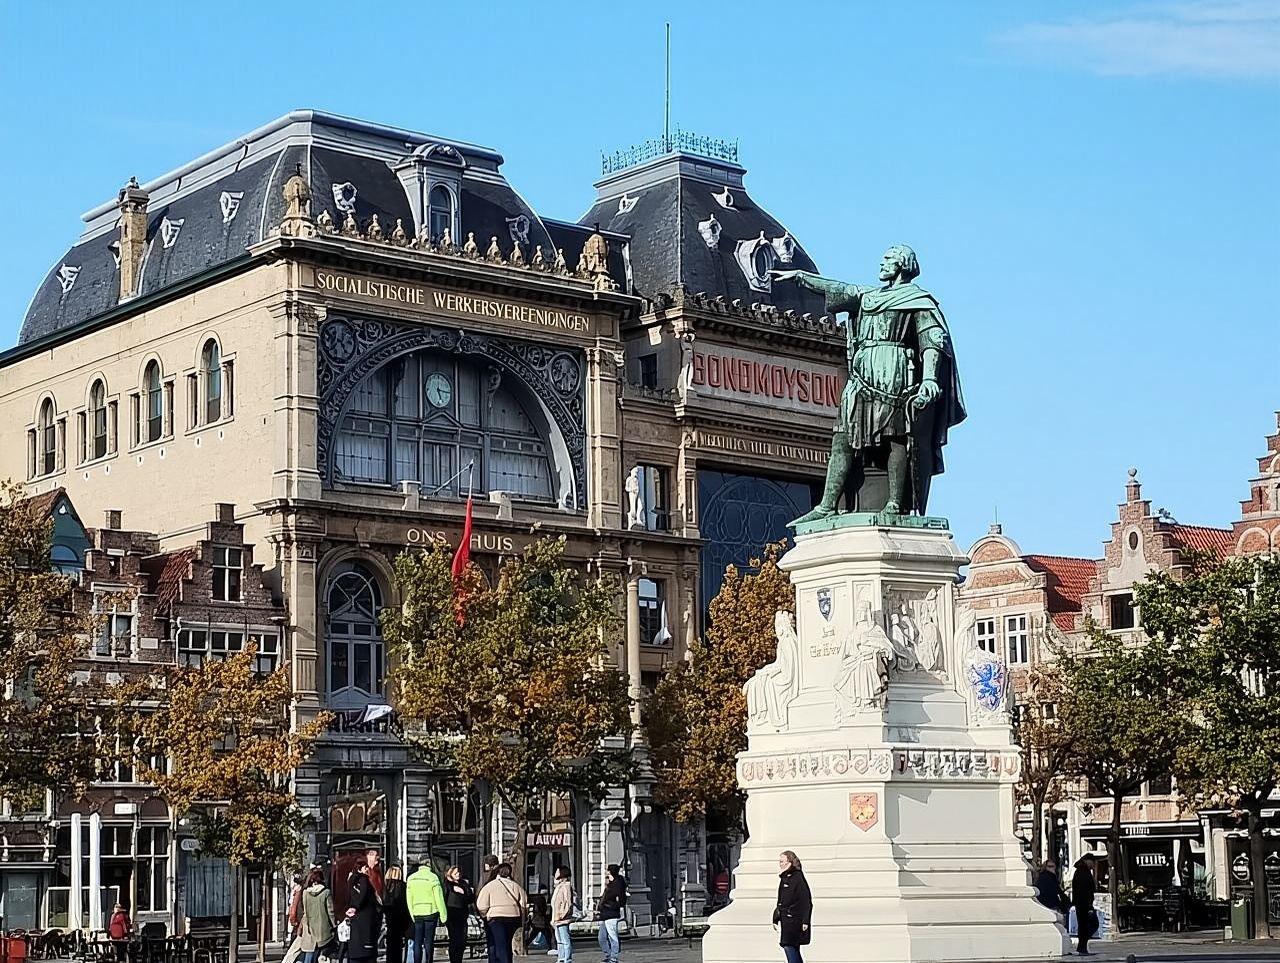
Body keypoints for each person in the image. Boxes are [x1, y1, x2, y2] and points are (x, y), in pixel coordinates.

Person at [775, 246, 965, 521]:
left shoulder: (918, 301)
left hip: (896, 373)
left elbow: (932, 340)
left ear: (902, 265)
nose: (882, 263)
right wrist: (801, 277)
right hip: (862, 378)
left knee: (896, 439)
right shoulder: (868, 296)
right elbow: (836, 287)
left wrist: (929, 379)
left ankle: (894, 504)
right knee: (842, 437)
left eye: (888, 259)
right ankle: (826, 505)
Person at [475, 862, 528, 963]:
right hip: (513, 917)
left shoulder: (489, 886)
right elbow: (524, 901)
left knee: (500, 944)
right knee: (507, 943)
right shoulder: (515, 885)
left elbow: (481, 905)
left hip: (496, 918)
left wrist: (485, 915)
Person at [773, 851, 812, 963]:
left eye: (782, 861)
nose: (780, 864)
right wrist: (776, 917)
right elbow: (781, 901)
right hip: (786, 920)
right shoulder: (784, 878)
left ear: (789, 862)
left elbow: (806, 900)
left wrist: (805, 921)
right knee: (792, 947)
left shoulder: (797, 878)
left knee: (788, 946)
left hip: (794, 920)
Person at [406, 860, 448, 963]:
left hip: (417, 912)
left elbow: (409, 899)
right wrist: (443, 916)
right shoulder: (433, 877)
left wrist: (412, 914)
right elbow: (439, 898)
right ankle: (429, 960)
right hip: (431, 912)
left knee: (417, 941)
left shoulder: (411, 878)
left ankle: (417, 961)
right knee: (429, 941)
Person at [348, 863, 384, 963]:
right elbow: (364, 895)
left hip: (356, 925)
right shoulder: (364, 880)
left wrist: (352, 907)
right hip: (367, 923)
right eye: (365, 867)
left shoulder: (352, 881)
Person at [299, 867, 337, 963]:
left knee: (309, 951)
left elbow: (305, 910)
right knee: (326, 949)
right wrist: (334, 925)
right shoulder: (326, 892)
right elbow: (330, 911)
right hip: (323, 928)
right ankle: (322, 957)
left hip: (309, 928)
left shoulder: (305, 893)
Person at [442, 865, 476, 963]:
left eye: (459, 873)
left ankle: (459, 959)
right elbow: (444, 898)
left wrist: (463, 892)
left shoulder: (464, 883)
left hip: (463, 915)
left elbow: (470, 898)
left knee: (462, 940)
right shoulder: (447, 884)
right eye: (455, 873)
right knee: (454, 939)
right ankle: (454, 960)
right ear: (450, 874)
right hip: (452, 915)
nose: (458, 875)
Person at [595, 864, 626, 963]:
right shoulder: (610, 884)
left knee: (612, 936)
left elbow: (620, 899)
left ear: (610, 872)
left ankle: (614, 957)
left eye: (607, 870)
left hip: (611, 914)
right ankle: (608, 954)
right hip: (605, 914)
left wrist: (613, 906)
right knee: (601, 937)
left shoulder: (617, 884)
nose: (605, 871)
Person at [383, 865, 412, 963]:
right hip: (400, 918)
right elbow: (405, 903)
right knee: (398, 944)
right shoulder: (403, 886)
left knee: (390, 943)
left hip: (389, 917)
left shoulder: (385, 886)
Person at [1071, 855, 1098, 956]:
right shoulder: (1083, 872)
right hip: (1084, 904)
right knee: (1091, 924)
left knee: (1084, 926)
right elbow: (1085, 891)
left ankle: (1082, 947)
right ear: (1087, 861)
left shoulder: (1080, 871)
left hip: (1081, 903)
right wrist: (1089, 906)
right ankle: (1082, 946)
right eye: (1092, 862)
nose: (1094, 864)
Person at [549, 866, 576, 963]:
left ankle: (567, 959)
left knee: (565, 940)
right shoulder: (559, 886)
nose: (555, 873)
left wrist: (562, 915)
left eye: (557, 871)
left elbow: (568, 903)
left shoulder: (566, 886)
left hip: (561, 918)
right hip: (557, 918)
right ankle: (561, 958)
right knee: (559, 940)